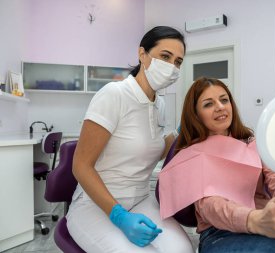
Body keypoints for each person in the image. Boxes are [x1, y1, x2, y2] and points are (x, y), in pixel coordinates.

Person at [66, 26, 194, 253]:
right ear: (142, 54)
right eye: (165, 56)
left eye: (178, 62)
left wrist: (182, 130)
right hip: (95, 205)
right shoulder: (114, 94)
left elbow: (153, 147)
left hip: (140, 199)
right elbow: (80, 165)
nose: (172, 67)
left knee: (182, 250)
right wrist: (119, 216)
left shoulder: (159, 104)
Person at [160, 77, 275, 253]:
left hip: (268, 223)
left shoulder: (252, 143)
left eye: (224, 100)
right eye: (208, 104)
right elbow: (210, 206)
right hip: (221, 234)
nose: (220, 107)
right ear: (196, 114)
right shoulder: (192, 155)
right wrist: (255, 220)